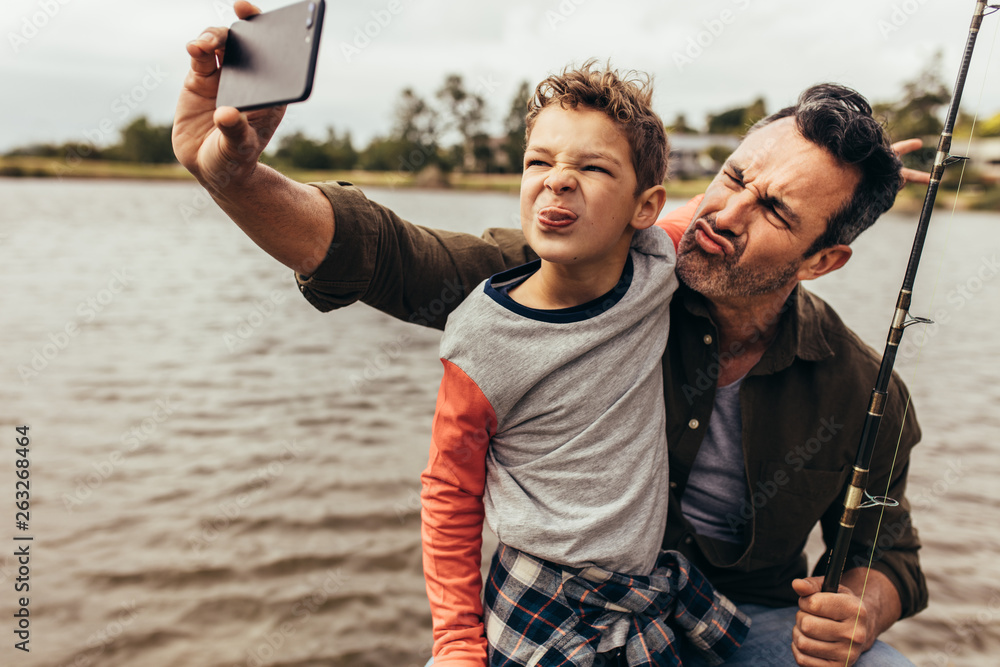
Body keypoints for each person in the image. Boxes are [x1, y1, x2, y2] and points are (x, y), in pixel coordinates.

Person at [172, 4, 928, 664]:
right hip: (571, 618)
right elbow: (398, 258)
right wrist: (233, 178)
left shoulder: (864, 388)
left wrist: (863, 607)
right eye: (733, 178)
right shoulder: (607, 266)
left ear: (825, 260)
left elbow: (886, 549)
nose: (725, 217)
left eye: (775, 212)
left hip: (737, 622)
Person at [420, 63, 748, 666]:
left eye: (593, 168)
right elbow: (449, 491)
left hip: (643, 593)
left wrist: (853, 168)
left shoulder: (657, 264)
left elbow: (719, 200)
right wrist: (455, 643)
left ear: (644, 206)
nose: (558, 181)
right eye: (539, 162)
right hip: (537, 599)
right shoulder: (481, 338)